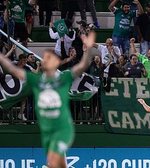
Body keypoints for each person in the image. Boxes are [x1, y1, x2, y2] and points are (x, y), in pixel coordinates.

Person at [0, 31, 97, 168]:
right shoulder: (35, 80)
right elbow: (11, 68)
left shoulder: (64, 78)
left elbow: (82, 66)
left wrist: (87, 50)